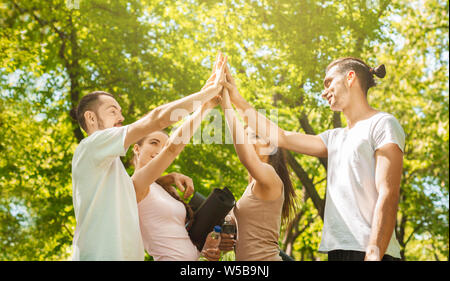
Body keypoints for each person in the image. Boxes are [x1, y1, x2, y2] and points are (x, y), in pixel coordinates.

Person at [220, 57, 405, 261]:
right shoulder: (334, 138)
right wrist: (234, 97)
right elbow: (281, 136)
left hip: (372, 250)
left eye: (328, 82)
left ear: (350, 77)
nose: (324, 92)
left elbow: (388, 193)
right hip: (338, 251)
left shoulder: (382, 124)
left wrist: (374, 252)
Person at [70, 53, 227, 261]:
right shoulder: (90, 147)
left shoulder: (115, 176)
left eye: (120, 112)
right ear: (90, 118)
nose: (121, 117)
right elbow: (156, 119)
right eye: (112, 111)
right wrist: (205, 94)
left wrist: (204, 109)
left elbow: (172, 149)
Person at [132, 94, 224, 261]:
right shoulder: (134, 185)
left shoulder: (165, 188)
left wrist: (206, 252)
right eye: (153, 143)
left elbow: (177, 239)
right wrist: (205, 107)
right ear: (137, 149)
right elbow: (173, 148)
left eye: (164, 146)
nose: (160, 151)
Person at [218, 85, 297, 261]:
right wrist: (226, 236)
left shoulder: (270, 176)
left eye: (256, 137)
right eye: (246, 137)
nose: (249, 142)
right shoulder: (252, 188)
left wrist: (226, 106)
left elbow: (247, 157)